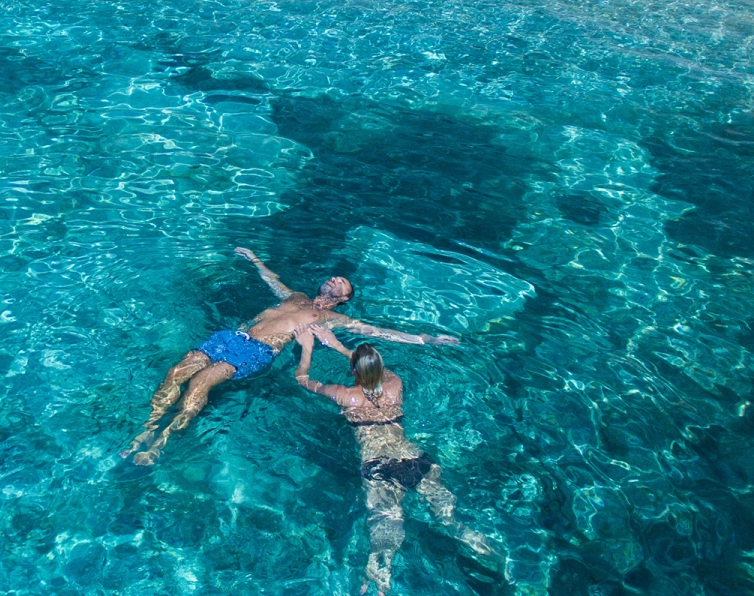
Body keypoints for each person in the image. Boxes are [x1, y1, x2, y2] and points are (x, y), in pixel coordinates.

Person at [122, 246, 457, 465]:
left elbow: (380, 332)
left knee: (200, 384)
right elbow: (274, 282)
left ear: (342, 300)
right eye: (337, 278)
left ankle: (161, 441)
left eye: (343, 285)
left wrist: (427, 339)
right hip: (230, 336)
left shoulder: (333, 318)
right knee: (176, 372)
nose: (337, 279)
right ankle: (147, 428)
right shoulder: (296, 296)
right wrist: (253, 259)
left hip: (257, 350)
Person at [294, 329, 498, 596]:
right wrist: (340, 347)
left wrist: (307, 347)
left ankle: (381, 575)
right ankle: (495, 557)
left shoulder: (344, 395)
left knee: (386, 531)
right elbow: (373, 369)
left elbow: (302, 379)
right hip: (415, 459)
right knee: (450, 519)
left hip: (379, 468)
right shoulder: (394, 383)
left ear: (353, 372)